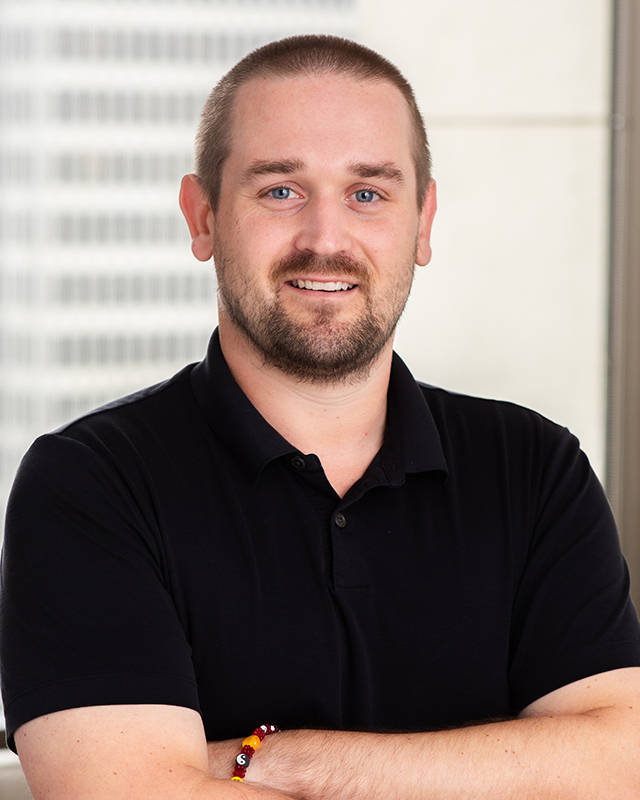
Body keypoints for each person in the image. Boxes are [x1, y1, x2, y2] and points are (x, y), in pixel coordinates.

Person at [1, 34, 640, 800]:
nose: (326, 240)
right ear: (202, 218)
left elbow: (620, 763)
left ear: (423, 221)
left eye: (367, 194)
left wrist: (275, 760)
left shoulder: (534, 468)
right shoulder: (91, 485)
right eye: (281, 191)